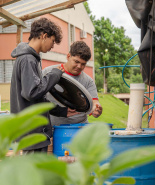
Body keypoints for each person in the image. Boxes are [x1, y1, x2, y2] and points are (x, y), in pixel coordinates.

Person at [10, 18, 74, 153]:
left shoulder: (31, 58)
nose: (53, 46)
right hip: (32, 134)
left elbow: (36, 99)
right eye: (53, 41)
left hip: (32, 133)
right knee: (33, 174)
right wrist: (54, 75)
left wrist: (61, 111)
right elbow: (32, 93)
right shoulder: (28, 59)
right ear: (44, 36)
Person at [43, 41, 102, 125]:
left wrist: (96, 109)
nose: (79, 66)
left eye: (83, 64)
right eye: (76, 62)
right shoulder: (48, 72)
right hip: (53, 127)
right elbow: (37, 98)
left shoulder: (88, 81)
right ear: (68, 56)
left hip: (80, 127)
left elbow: (94, 102)